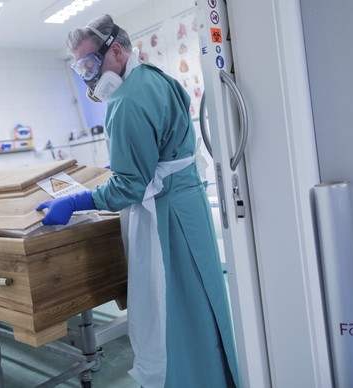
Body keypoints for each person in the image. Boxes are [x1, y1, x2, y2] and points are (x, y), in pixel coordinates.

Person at [36, 14, 238, 388]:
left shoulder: (126, 101)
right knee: (203, 306)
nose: (88, 76)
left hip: (168, 220)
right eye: (80, 68)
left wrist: (80, 199)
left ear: (115, 51)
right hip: (188, 208)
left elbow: (129, 187)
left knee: (172, 314)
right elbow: (166, 150)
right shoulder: (157, 79)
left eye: (90, 64)